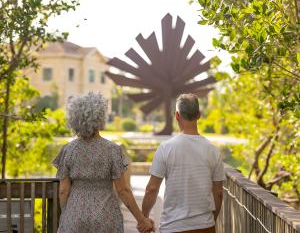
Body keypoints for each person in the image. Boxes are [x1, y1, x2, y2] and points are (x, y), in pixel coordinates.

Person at [53, 92, 154, 233]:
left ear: (74, 119)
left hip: (75, 215)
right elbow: (123, 190)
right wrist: (142, 220)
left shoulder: (68, 150)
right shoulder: (113, 150)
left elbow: (63, 190)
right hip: (106, 215)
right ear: (100, 118)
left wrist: (66, 212)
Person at [141, 93, 225, 233]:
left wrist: (144, 218)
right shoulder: (213, 151)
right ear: (199, 115)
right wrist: (211, 220)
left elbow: (152, 189)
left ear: (177, 115)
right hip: (205, 226)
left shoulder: (165, 148)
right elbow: (218, 192)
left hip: (172, 227)